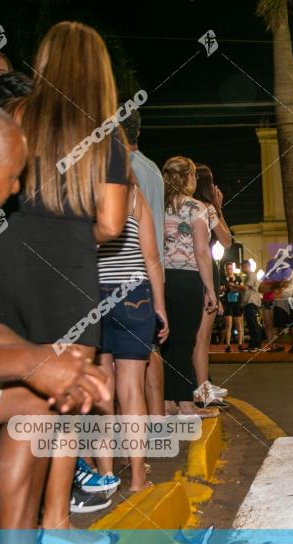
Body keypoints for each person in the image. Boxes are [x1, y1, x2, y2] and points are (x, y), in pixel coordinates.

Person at [0, 22, 130, 544]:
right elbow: (112, 226)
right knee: (60, 408)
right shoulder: (106, 132)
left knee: (12, 396)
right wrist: (67, 232)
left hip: (2, 260)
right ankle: (55, 524)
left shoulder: (15, 114)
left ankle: (7, 531)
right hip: (66, 272)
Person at [95, 182, 169, 492]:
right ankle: (138, 477)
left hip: (93, 296)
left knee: (101, 390)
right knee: (132, 389)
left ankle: (106, 475)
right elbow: (151, 256)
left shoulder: (85, 189)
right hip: (134, 296)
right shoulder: (134, 193)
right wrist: (160, 308)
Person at [161, 155, 219, 416]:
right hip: (187, 279)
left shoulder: (156, 205)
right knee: (185, 341)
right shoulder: (197, 208)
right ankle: (185, 402)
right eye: (193, 175)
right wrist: (210, 289)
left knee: (167, 341)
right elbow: (201, 252)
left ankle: (168, 401)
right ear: (187, 177)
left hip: (162, 278)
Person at [121, 109, 168, 418]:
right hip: (155, 269)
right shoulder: (153, 169)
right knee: (152, 351)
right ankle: (157, 419)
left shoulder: (121, 168)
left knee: (125, 362)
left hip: (128, 269)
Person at [192, 164, 232, 395]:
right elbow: (226, 240)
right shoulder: (207, 208)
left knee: (190, 333)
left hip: (185, 271)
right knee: (203, 336)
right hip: (206, 270)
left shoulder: (180, 206)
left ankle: (199, 382)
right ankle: (202, 387)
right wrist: (218, 208)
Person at [241, 259, 264, 351]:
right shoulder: (249, 275)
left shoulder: (251, 275)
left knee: (253, 324)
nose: (242, 269)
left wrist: (234, 286)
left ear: (246, 266)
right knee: (251, 324)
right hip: (249, 302)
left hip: (251, 302)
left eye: (242, 267)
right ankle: (253, 343)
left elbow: (245, 288)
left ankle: (256, 344)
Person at [221, 262, 245, 352]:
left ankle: (240, 344)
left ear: (233, 269)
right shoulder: (223, 279)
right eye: (227, 269)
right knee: (228, 325)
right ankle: (228, 345)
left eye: (230, 269)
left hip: (237, 304)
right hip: (228, 304)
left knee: (239, 325)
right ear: (225, 270)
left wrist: (235, 287)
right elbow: (220, 290)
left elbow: (243, 289)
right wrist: (224, 288)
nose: (229, 270)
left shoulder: (238, 278)